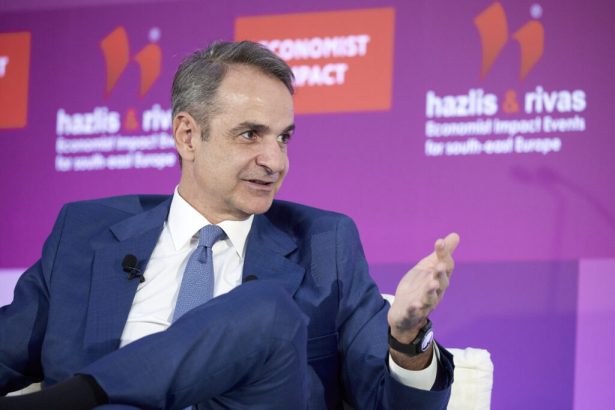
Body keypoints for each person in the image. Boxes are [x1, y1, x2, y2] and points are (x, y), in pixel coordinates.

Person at [0, 41, 459, 409]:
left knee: (268, 310)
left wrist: (407, 339)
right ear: (187, 135)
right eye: (250, 135)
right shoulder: (84, 232)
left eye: (283, 138)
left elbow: (386, 402)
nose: (275, 161)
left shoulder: (325, 245)